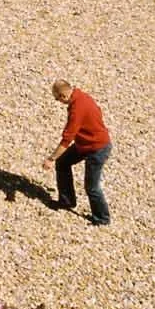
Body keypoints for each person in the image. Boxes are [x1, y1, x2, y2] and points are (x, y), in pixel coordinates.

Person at [46, 80, 112, 225]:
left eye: (57, 98)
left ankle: (102, 218)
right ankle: (66, 202)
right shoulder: (80, 95)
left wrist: (51, 159)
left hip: (97, 148)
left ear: (63, 95)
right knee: (63, 162)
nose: (58, 102)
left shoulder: (77, 108)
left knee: (91, 186)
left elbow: (67, 139)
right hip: (84, 144)